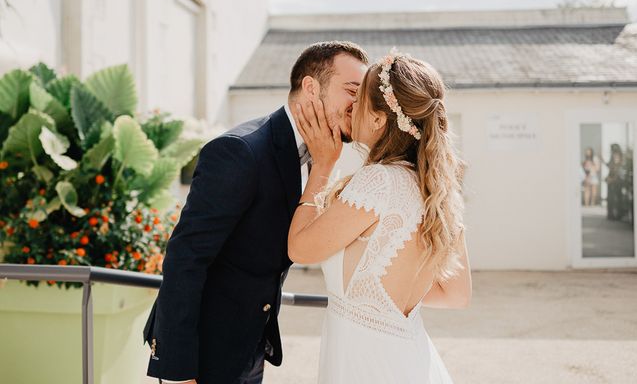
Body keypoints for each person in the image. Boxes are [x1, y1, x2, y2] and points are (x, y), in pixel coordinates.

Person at [143, 41, 369, 384]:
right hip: (202, 355)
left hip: (250, 346)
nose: (360, 104)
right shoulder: (240, 151)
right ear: (311, 87)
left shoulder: (322, 156)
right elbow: (185, 258)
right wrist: (178, 371)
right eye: (352, 90)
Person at [288, 50, 471, 383]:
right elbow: (456, 294)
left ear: (378, 120)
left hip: (365, 362)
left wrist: (323, 166)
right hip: (408, 353)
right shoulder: (437, 188)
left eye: (359, 100)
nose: (351, 107)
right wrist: (379, 297)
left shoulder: (380, 181)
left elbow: (300, 249)